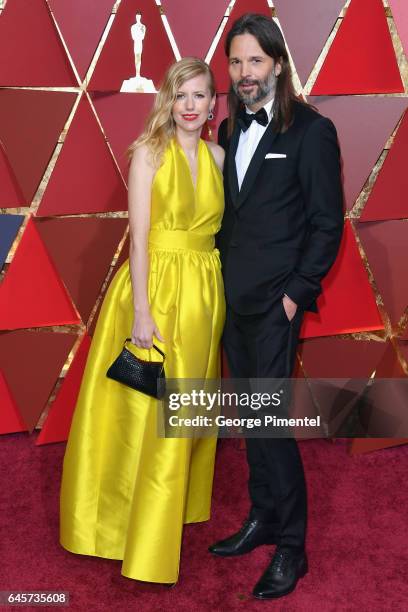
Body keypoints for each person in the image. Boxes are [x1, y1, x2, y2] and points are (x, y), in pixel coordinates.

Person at [60, 57, 226, 585]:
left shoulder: (220, 157)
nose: (191, 105)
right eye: (182, 95)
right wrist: (141, 313)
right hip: (154, 289)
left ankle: (169, 512)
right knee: (141, 414)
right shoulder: (147, 154)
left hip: (204, 290)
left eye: (200, 95)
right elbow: (137, 238)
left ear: (213, 103)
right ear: (168, 101)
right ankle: (123, 528)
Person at [209, 14, 344, 600]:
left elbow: (326, 222)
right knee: (250, 421)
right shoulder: (228, 128)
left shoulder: (312, 132)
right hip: (231, 303)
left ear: (278, 65)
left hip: (275, 307)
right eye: (235, 63)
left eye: (254, 62)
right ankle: (263, 517)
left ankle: (293, 546)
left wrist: (295, 294)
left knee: (270, 424)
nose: (244, 73)